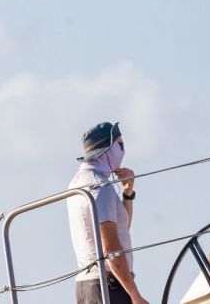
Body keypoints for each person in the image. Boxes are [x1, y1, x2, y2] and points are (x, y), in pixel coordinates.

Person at [66, 122, 148, 304]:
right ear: (107, 148)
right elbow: (110, 249)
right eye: (120, 144)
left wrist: (128, 194)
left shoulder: (77, 183)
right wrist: (135, 295)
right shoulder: (99, 188)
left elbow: (120, 229)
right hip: (108, 286)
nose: (123, 150)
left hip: (86, 287)